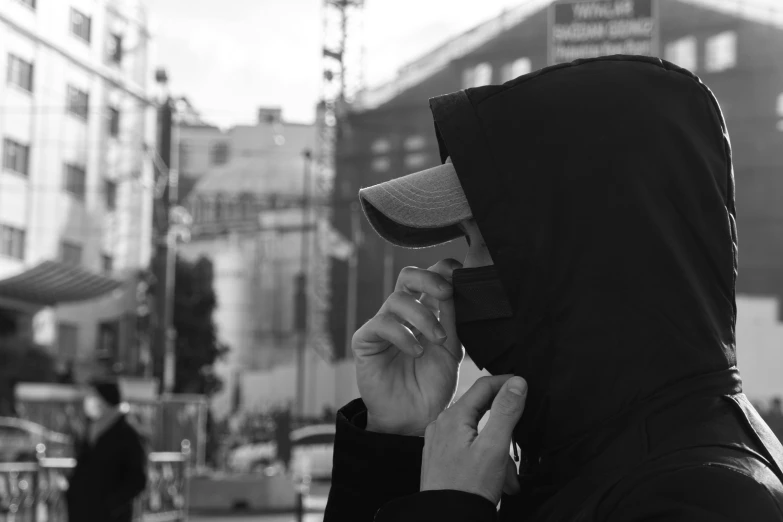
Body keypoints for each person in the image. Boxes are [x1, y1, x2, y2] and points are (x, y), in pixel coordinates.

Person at [324, 55, 783, 521]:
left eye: (483, 241)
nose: (451, 275)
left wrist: (448, 510)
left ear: (590, 256)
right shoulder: (593, 454)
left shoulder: (704, 498)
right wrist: (393, 440)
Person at [66, 378, 147, 522]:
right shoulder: (91, 430)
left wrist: (112, 505)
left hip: (109, 516)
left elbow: (137, 478)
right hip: (83, 513)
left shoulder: (127, 434)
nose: (88, 401)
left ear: (104, 400)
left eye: (92, 396)